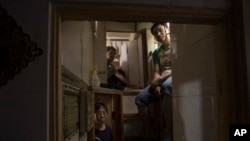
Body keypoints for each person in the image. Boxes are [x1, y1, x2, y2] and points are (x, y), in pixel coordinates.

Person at [135, 22, 173, 141]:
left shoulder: (176, 44)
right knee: (140, 98)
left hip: (173, 76)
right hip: (161, 78)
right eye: (155, 33)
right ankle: (150, 131)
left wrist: (161, 80)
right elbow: (156, 71)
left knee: (166, 86)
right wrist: (156, 83)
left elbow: (180, 66)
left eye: (160, 30)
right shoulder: (157, 52)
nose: (158, 34)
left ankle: (168, 133)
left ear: (166, 29)